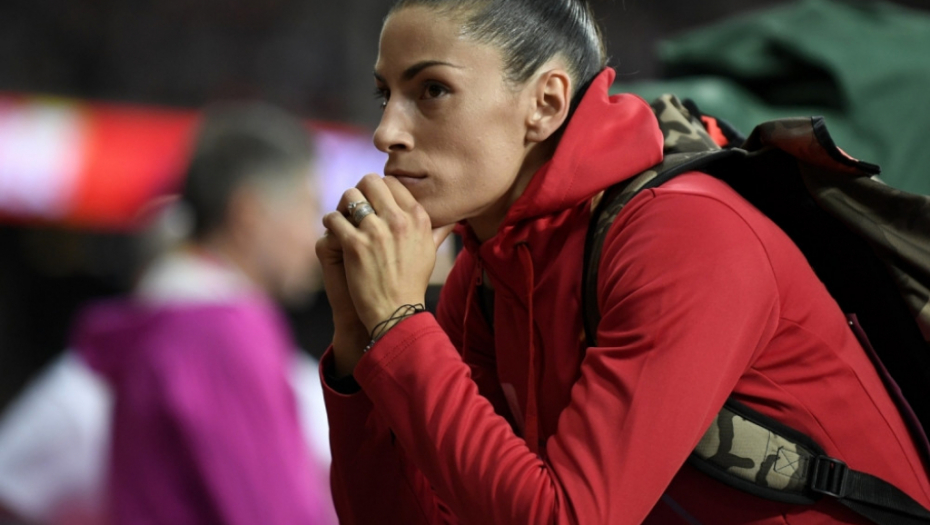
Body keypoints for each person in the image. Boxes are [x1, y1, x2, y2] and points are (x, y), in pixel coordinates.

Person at [316, 1, 930, 524]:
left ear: (546, 103)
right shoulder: (489, 272)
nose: (386, 132)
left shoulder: (684, 233)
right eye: (385, 94)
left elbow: (569, 518)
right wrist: (357, 341)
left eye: (432, 90)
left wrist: (399, 323)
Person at [69, 102, 336, 525]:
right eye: (308, 206)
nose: (316, 236)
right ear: (249, 214)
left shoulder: (174, 317)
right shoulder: (221, 334)